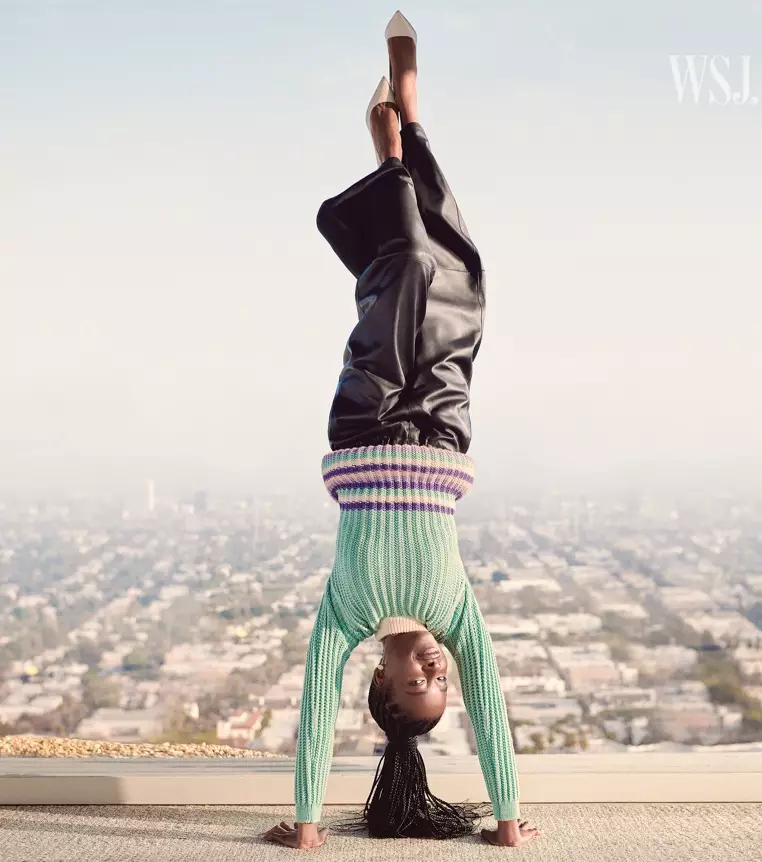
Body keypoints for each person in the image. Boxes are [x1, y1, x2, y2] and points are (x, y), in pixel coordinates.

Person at [264, 11, 540, 850]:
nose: (433, 670)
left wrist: (308, 824)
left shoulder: (349, 613)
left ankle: (388, 156)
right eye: (439, 685)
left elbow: (314, 710)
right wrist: (504, 817)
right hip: (444, 437)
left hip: (369, 425)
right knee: (463, 281)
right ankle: (410, 123)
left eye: (414, 683)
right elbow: (492, 712)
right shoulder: (457, 614)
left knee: (411, 270)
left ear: (378, 684)